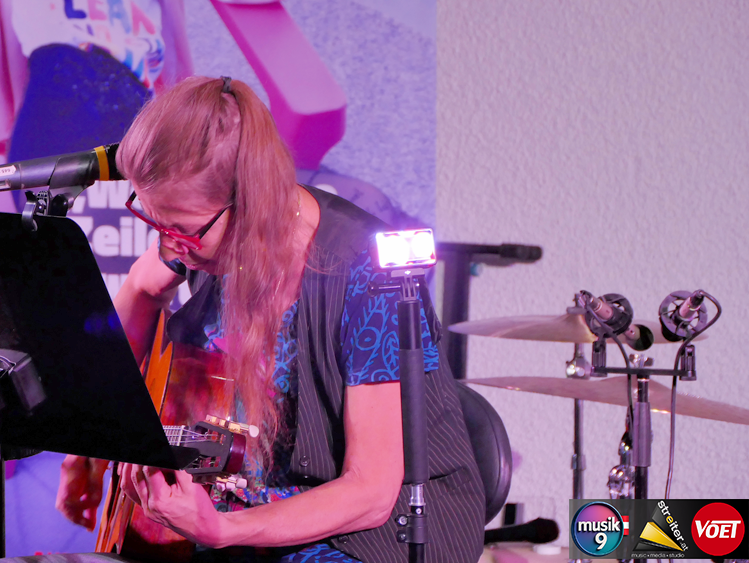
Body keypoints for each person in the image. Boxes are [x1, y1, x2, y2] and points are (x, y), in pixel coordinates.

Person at [56, 76, 484, 563]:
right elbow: (141, 288)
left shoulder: (367, 276)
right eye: (155, 222)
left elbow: (370, 492)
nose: (169, 245)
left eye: (183, 230)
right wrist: (88, 443)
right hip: (249, 513)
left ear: (251, 203)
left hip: (372, 534)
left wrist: (222, 529)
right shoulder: (199, 238)